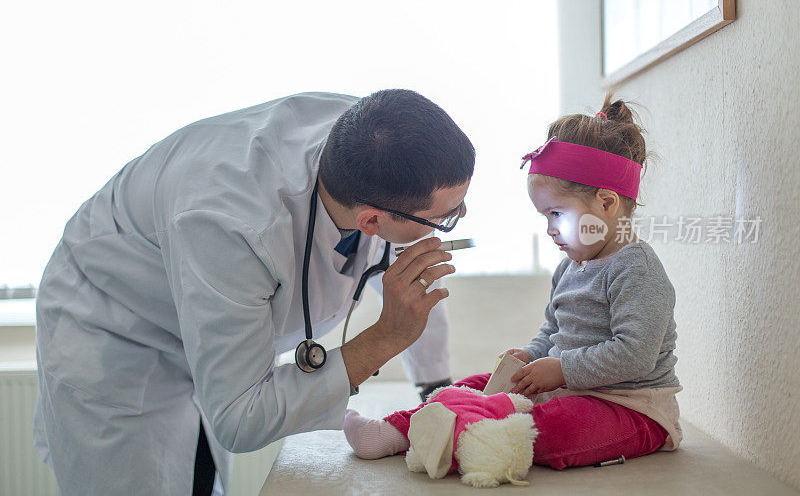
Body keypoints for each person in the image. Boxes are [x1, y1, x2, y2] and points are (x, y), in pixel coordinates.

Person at [33, 89, 475, 495]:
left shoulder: (379, 145)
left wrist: (435, 390)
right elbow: (240, 418)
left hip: (196, 299)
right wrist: (382, 341)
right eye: (445, 218)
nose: (454, 221)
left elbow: (410, 278)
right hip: (116, 329)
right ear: (371, 222)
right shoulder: (232, 225)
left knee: (200, 476)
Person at [343, 95, 682, 479]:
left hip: (629, 406)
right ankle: (395, 430)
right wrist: (531, 354)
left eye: (557, 214)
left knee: (555, 428)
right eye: (545, 216)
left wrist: (561, 370)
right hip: (570, 388)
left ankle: (458, 434)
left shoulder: (637, 270)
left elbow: (634, 355)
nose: (550, 229)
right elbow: (554, 330)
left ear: (606, 203)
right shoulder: (571, 266)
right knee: (480, 384)